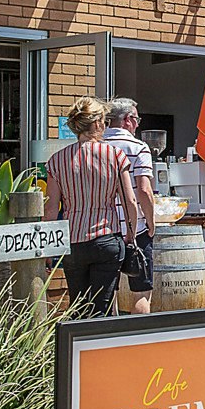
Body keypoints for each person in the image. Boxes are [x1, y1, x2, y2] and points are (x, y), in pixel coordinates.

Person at [44, 97, 139, 316]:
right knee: (102, 308)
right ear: (96, 123)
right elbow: (130, 201)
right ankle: (100, 348)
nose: (105, 126)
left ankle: (77, 347)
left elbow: (50, 210)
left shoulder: (57, 161)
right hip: (107, 238)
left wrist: (49, 251)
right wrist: (131, 235)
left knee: (77, 306)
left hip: (73, 242)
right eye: (104, 121)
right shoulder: (115, 155)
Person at [103, 97, 157, 314]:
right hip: (136, 229)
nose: (137, 125)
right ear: (127, 120)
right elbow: (143, 190)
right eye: (136, 120)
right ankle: (139, 344)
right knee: (141, 292)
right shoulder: (138, 147)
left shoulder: (96, 147)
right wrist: (151, 223)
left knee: (107, 294)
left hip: (104, 230)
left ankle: (111, 342)